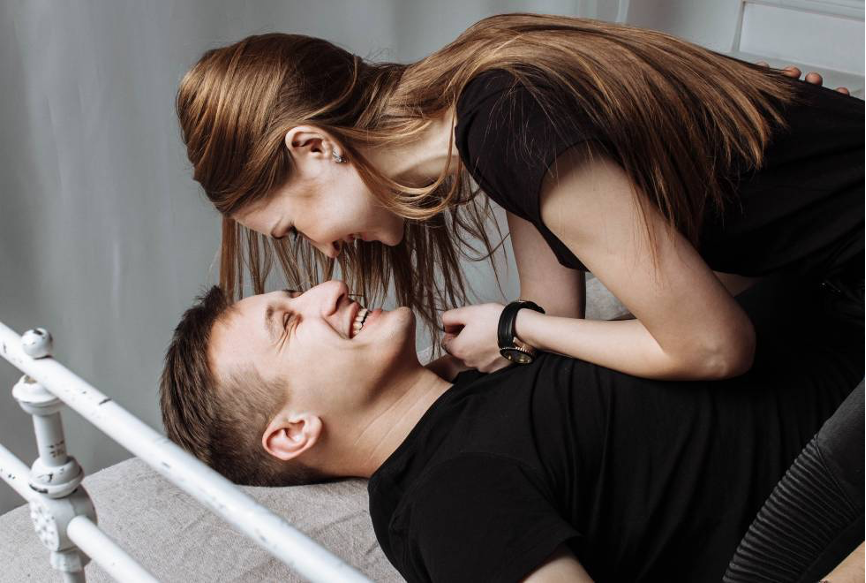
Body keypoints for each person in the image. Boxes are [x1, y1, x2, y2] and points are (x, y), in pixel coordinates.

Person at [175, 13, 862, 381]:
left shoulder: (507, 121)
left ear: (313, 146)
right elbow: (553, 311)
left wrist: (515, 329)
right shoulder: (483, 97)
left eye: (293, 227)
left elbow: (713, 347)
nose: (325, 253)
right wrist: (442, 367)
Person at [159, 279, 863, 582]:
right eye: (289, 321)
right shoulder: (445, 498)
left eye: (296, 291)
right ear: (292, 433)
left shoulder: (486, 377)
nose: (329, 290)